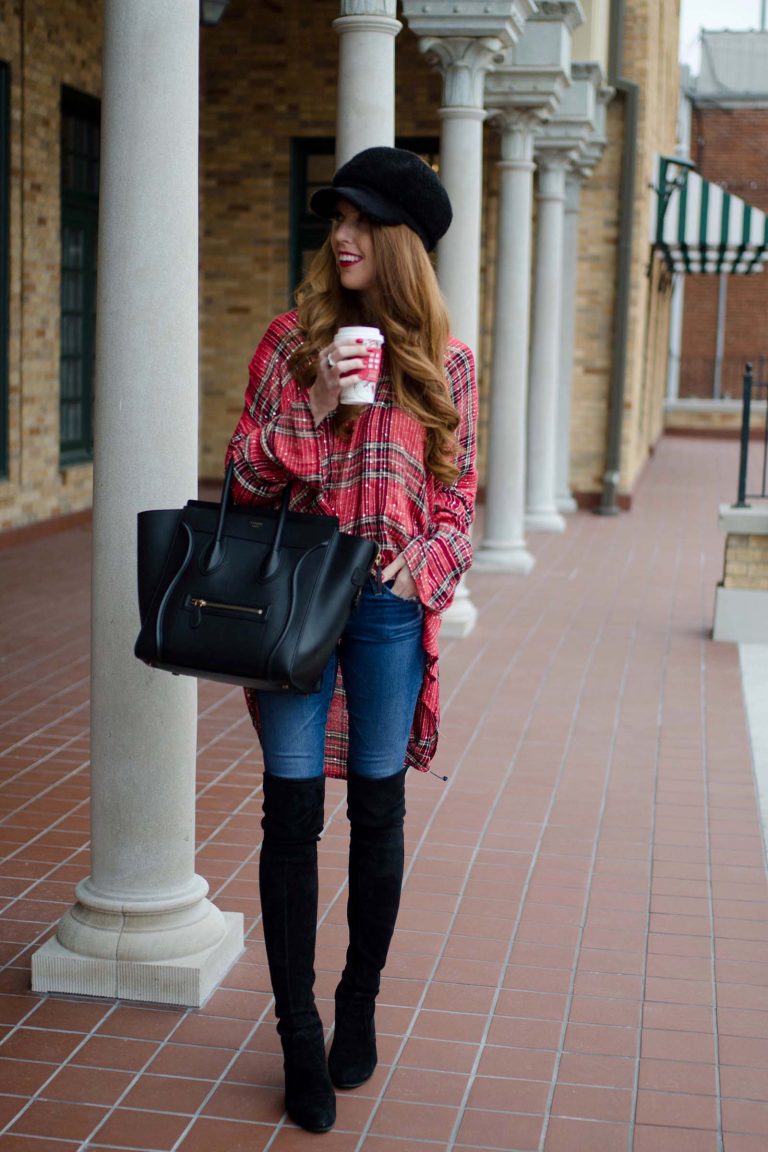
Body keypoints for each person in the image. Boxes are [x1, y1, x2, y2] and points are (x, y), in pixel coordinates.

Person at [225, 146, 477, 1133]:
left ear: (401, 245)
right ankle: (295, 1036)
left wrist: (427, 564)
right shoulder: (293, 341)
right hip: (294, 600)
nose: (341, 236)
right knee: (291, 820)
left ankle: (355, 1007)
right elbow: (243, 480)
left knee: (377, 814)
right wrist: (321, 401)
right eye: (336, 218)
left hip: (382, 614)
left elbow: (457, 498)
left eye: (362, 223)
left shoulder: (445, 361)